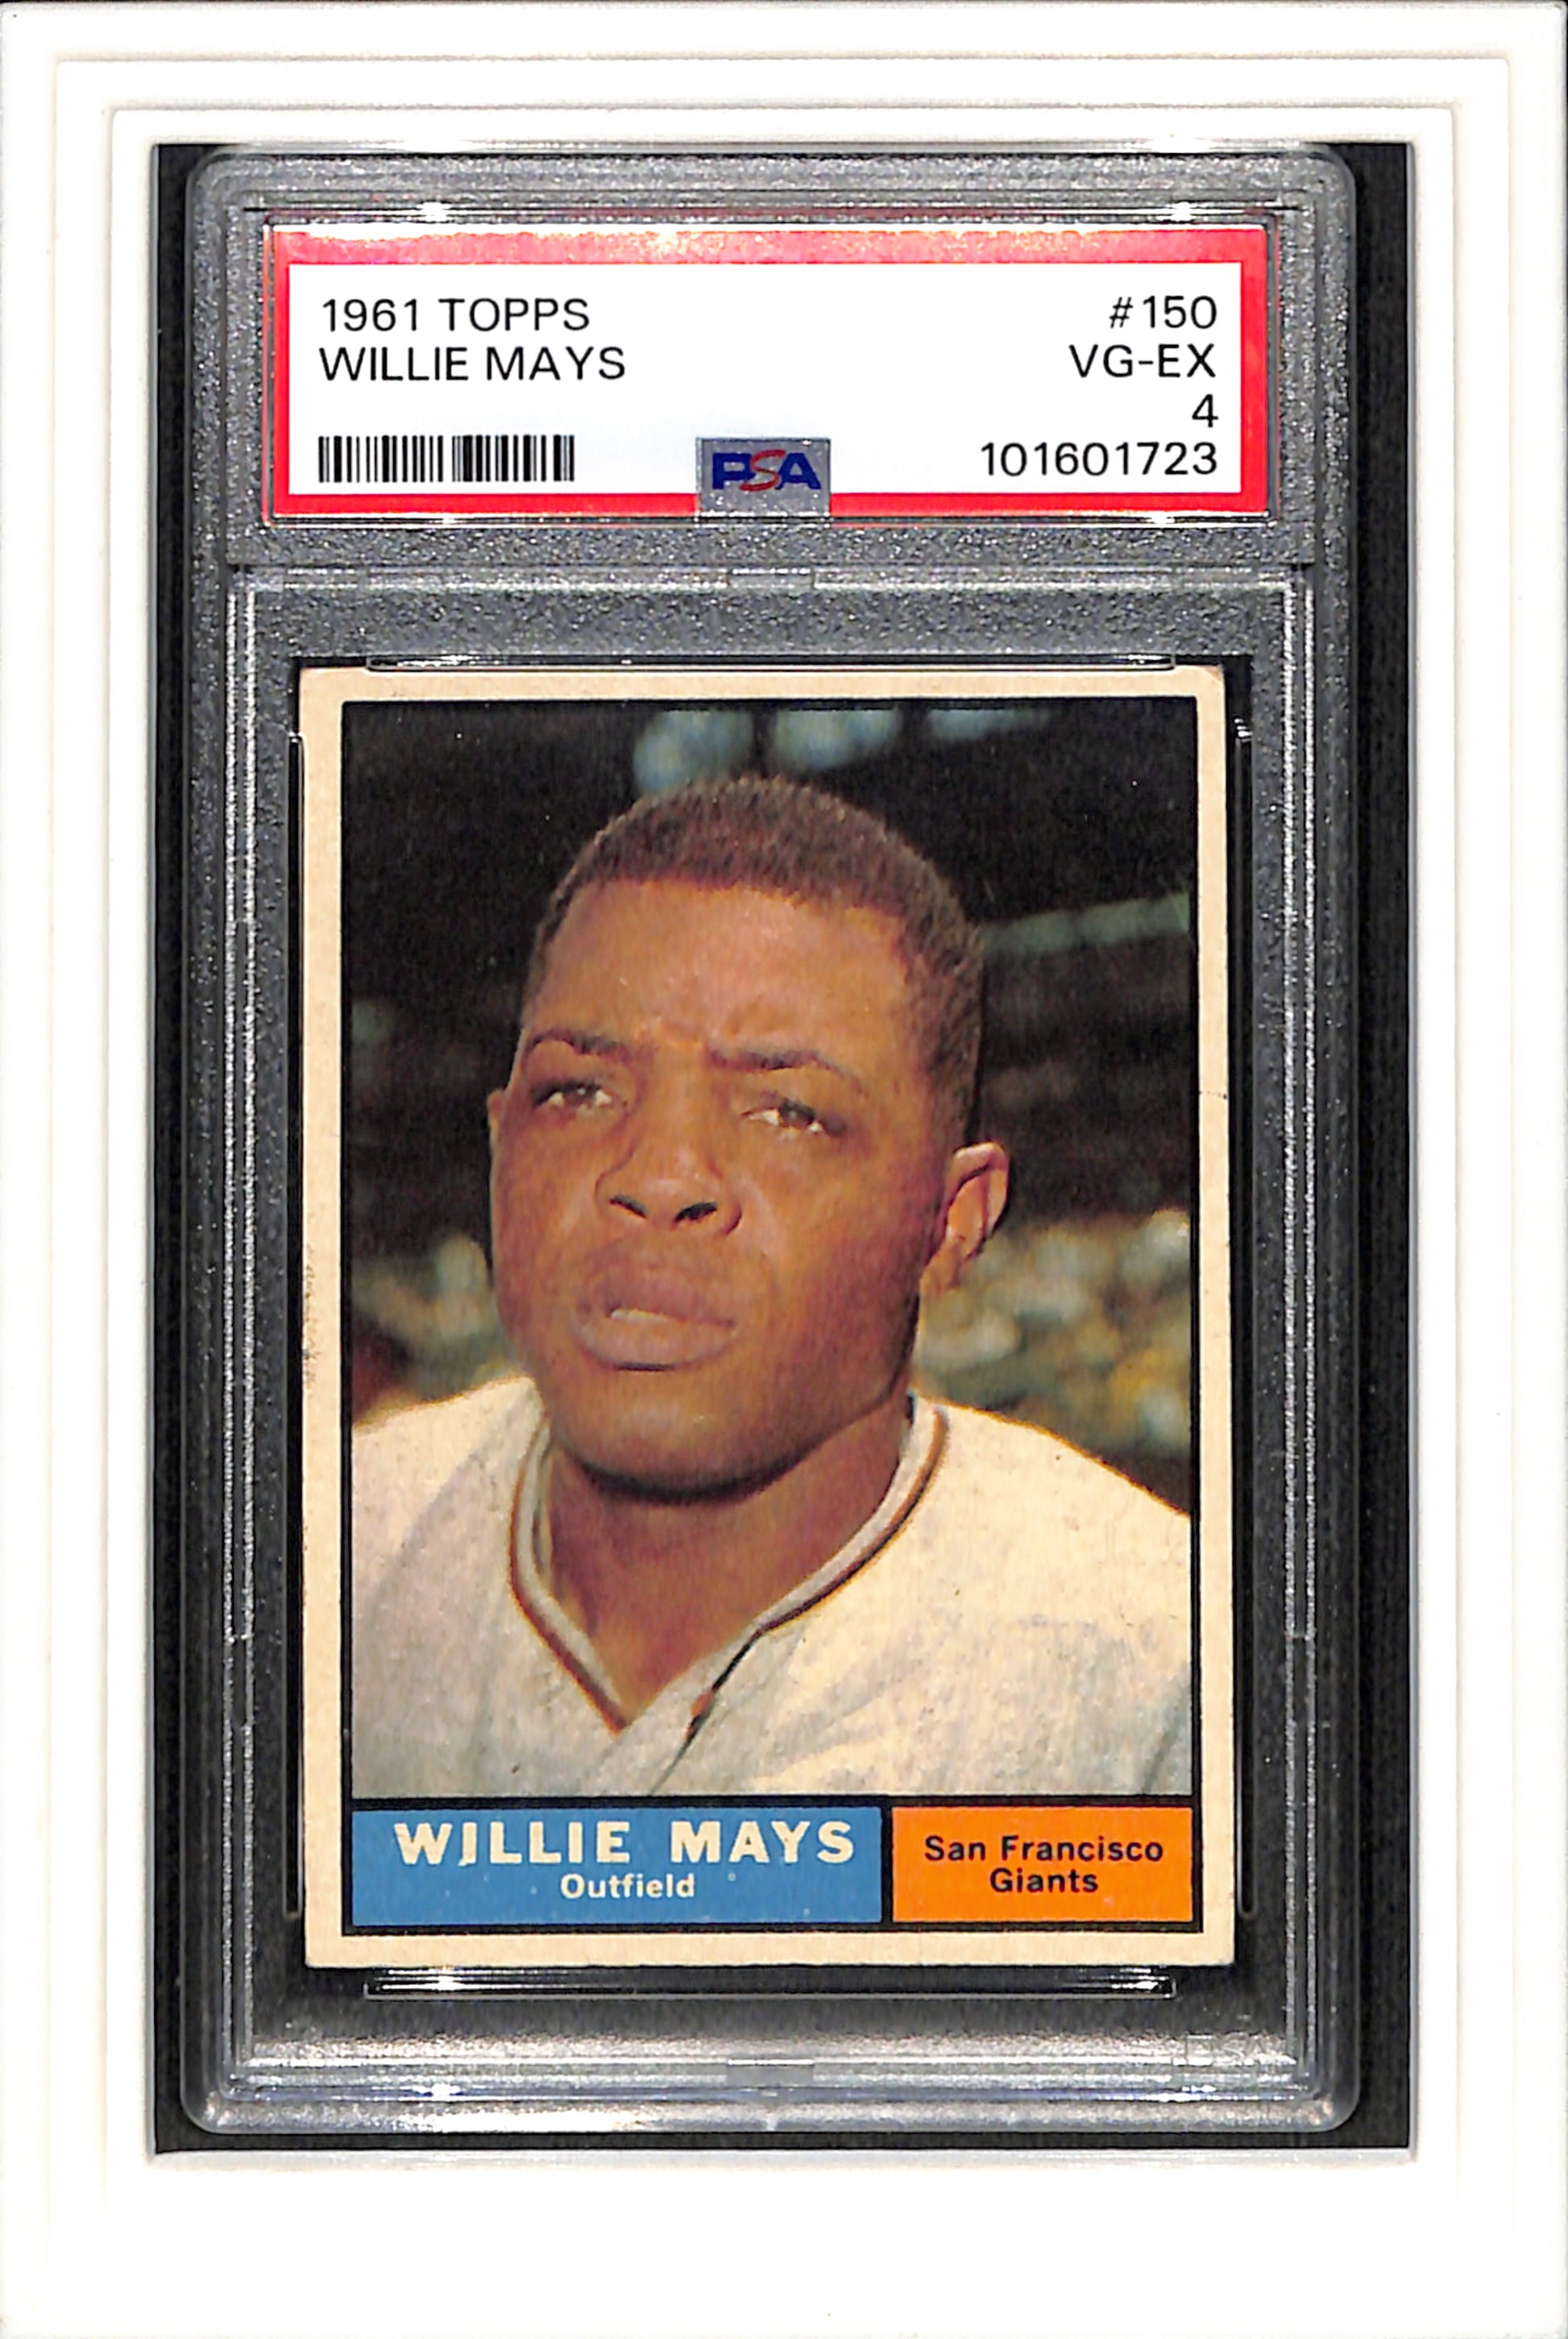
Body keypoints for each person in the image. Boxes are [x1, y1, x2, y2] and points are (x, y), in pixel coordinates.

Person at [353, 776, 1192, 1798]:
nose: (660, 1176)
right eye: (578, 1090)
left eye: (788, 1112)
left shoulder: (1153, 1662)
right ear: (499, 1144)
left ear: (950, 1219)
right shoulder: (321, 1550)